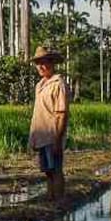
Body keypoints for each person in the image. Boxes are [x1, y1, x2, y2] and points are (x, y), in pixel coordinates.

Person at [28, 45, 70, 202]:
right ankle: (51, 198)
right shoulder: (40, 85)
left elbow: (61, 113)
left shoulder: (58, 84)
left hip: (53, 136)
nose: (41, 66)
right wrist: (33, 138)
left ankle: (59, 202)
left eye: (44, 62)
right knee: (48, 171)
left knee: (56, 170)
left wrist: (58, 140)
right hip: (41, 136)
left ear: (52, 64)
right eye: (38, 63)